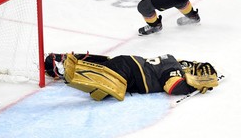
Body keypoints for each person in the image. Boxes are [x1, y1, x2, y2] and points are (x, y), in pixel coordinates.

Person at [45, 52, 218, 101]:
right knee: (101, 84)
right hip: (130, 74)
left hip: (127, 61)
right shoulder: (174, 72)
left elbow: (182, 65)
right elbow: (173, 87)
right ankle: (62, 71)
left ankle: (63, 59)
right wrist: (193, 85)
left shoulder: (172, 58)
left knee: (105, 64)